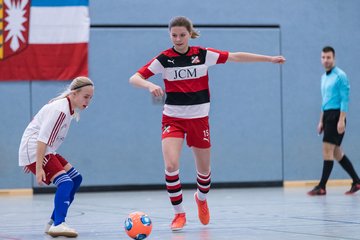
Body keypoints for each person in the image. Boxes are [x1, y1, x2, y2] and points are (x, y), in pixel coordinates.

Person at [129, 16, 285, 231]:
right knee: (171, 165)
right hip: (173, 119)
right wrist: (148, 86)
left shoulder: (202, 55)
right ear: (170, 35)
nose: (178, 39)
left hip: (199, 119)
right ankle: (179, 214)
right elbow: (134, 77)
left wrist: (268, 59)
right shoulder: (164, 59)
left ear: (189, 34)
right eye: (174, 35)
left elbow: (236, 57)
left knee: (204, 171)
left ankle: (201, 199)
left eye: (182, 35)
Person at [18, 76, 94, 237]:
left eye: (90, 98)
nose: (88, 101)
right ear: (74, 93)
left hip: (43, 150)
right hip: (36, 149)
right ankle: (59, 223)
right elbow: (42, 139)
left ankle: (52, 223)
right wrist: (37, 166)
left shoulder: (67, 107)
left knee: (75, 179)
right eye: (86, 96)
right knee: (65, 183)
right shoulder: (60, 110)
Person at [308, 46, 360, 196]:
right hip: (328, 116)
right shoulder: (324, 77)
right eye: (323, 57)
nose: (325, 60)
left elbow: (345, 99)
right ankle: (357, 181)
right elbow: (325, 101)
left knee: (327, 150)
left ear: (334, 58)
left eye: (328, 57)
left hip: (337, 116)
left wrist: (341, 120)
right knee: (337, 153)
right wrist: (321, 121)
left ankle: (322, 187)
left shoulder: (340, 75)